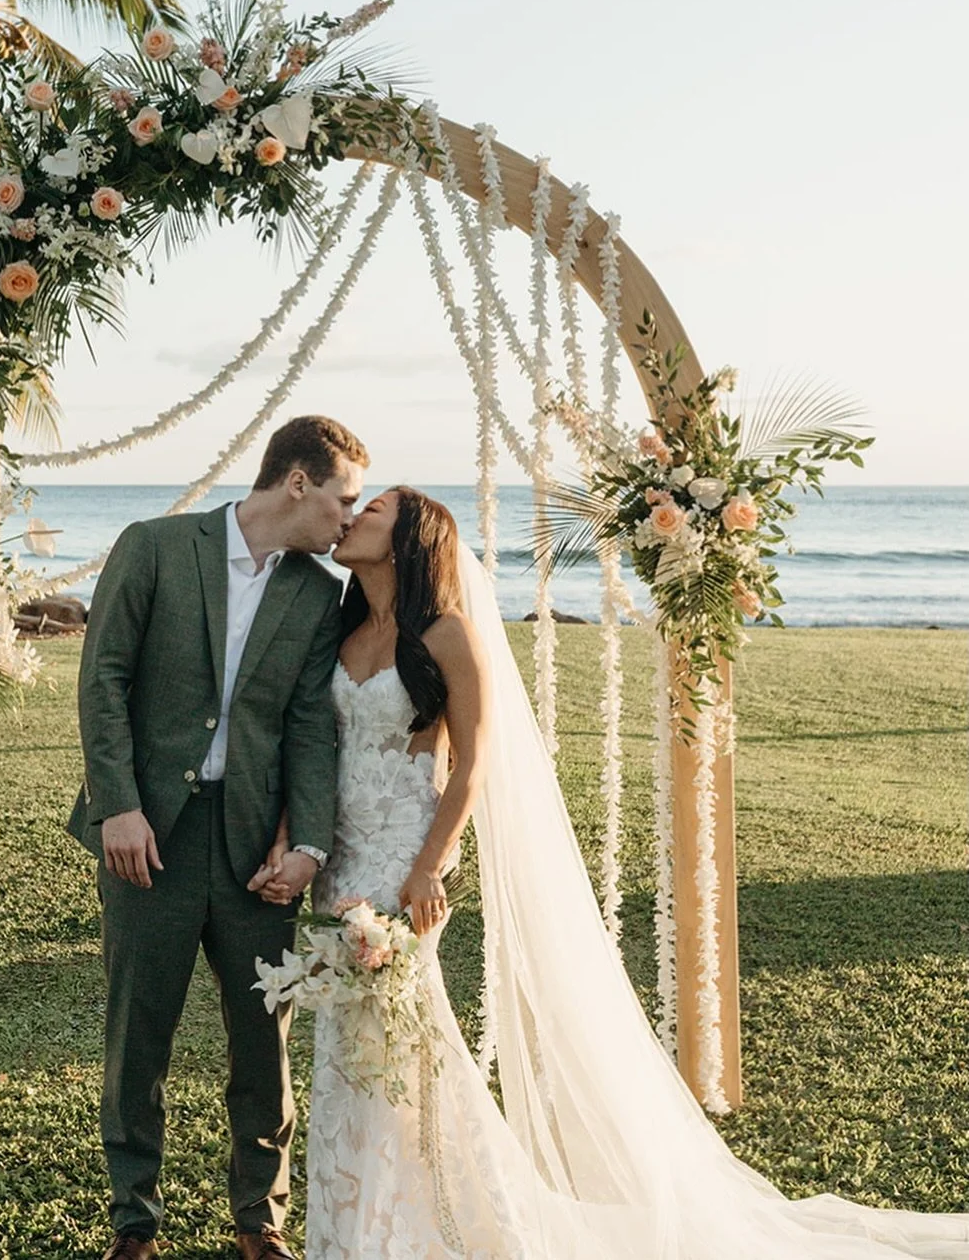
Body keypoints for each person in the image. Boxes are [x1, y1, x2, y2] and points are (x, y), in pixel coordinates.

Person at [253, 486, 969, 1260]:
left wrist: (429, 868)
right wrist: (297, 841)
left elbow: (474, 764)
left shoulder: (447, 633)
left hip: (403, 858)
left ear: (407, 542)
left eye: (374, 511)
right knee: (344, 1036)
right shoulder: (343, 628)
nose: (352, 515)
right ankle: (356, 1213)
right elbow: (310, 748)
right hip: (341, 857)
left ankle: (411, 1225)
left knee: (397, 1034)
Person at [69, 415, 368, 1260]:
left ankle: (258, 1220)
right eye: (343, 497)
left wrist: (307, 840)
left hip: (252, 849)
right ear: (298, 482)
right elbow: (104, 680)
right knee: (139, 1032)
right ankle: (134, 1220)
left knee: (261, 1036)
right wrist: (115, 804)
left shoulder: (318, 593)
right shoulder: (155, 546)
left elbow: (311, 725)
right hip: (147, 834)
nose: (350, 518)